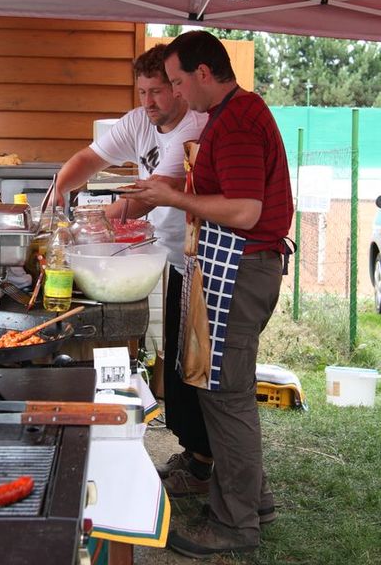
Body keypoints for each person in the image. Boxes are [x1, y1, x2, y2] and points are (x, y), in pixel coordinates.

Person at [124, 31, 294, 557]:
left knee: (227, 398)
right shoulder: (230, 116)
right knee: (225, 393)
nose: (174, 93)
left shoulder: (238, 120)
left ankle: (235, 524)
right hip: (236, 268)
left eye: (175, 82)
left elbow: (245, 212)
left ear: (203, 74)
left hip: (244, 269)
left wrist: (174, 195)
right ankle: (254, 500)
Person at [55, 44, 215, 485]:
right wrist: (58, 194)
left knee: (193, 363)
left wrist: (83, 222)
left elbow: (149, 197)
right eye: (142, 91)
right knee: (179, 361)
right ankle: (195, 455)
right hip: (165, 255)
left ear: (180, 90)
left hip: (198, 258)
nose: (147, 102)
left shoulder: (193, 126)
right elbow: (89, 158)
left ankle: (203, 461)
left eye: (158, 91)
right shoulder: (139, 119)